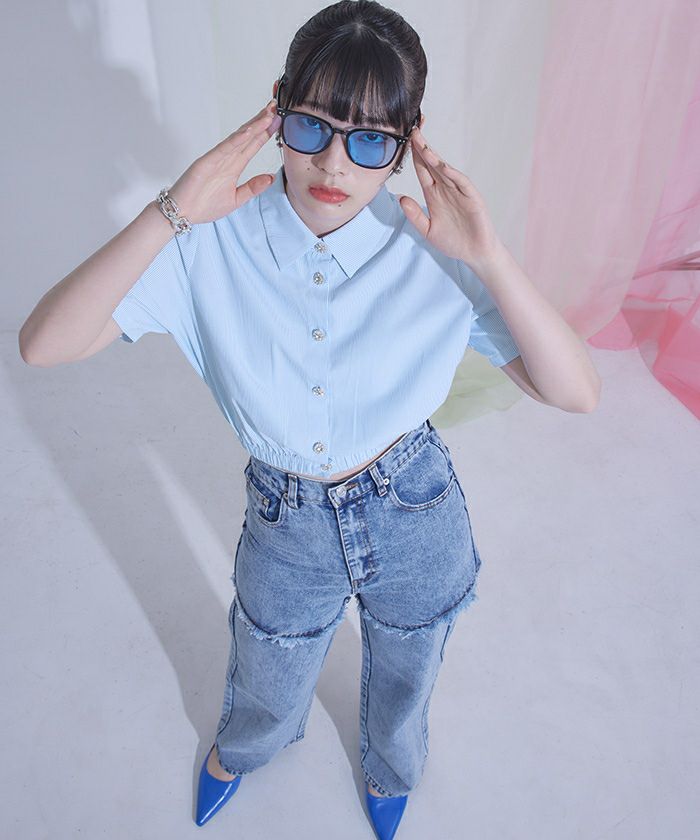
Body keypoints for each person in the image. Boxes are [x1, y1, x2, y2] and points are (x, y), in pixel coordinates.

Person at [19, 1, 600, 837]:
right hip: (285, 519)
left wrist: (492, 258)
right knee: (269, 662)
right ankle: (241, 752)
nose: (334, 163)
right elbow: (43, 345)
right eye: (311, 127)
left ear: (408, 143)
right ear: (277, 112)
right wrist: (170, 208)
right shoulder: (209, 238)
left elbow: (576, 392)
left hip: (414, 506)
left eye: (370, 141)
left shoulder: (439, 248)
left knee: (409, 665)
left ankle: (391, 768)